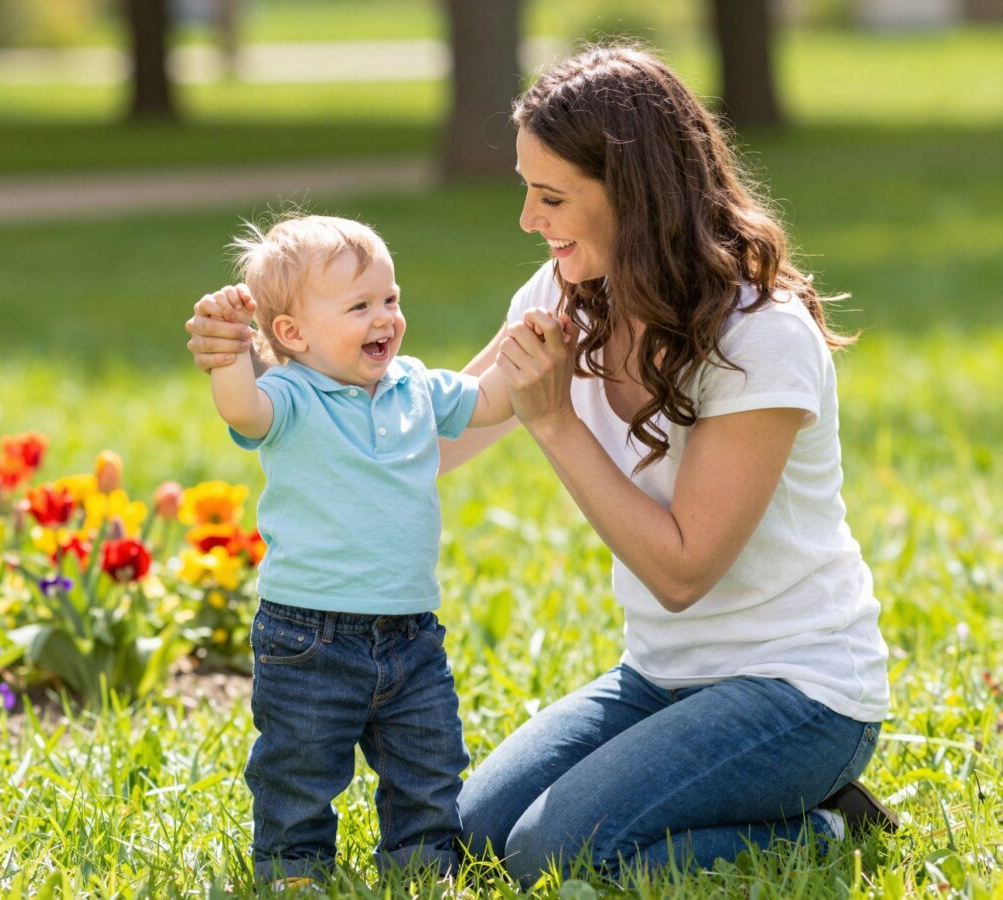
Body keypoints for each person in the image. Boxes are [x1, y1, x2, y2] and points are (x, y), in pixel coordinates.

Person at [186, 45, 895, 887]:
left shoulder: (761, 335)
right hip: (659, 678)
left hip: (795, 692)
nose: (528, 217)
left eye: (551, 196)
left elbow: (682, 571)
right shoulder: (561, 293)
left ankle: (821, 827)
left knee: (546, 857)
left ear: (633, 196)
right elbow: (419, 442)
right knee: (473, 838)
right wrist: (271, 372)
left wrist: (556, 421)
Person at [204, 214, 517, 882]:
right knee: (299, 766)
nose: (385, 318)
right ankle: (293, 868)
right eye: (360, 306)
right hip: (308, 636)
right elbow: (242, 411)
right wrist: (231, 352)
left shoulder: (416, 386)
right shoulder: (290, 395)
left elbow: (489, 401)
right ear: (292, 334)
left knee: (429, 766)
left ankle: (425, 868)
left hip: (410, 635)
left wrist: (534, 359)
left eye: (390, 299)